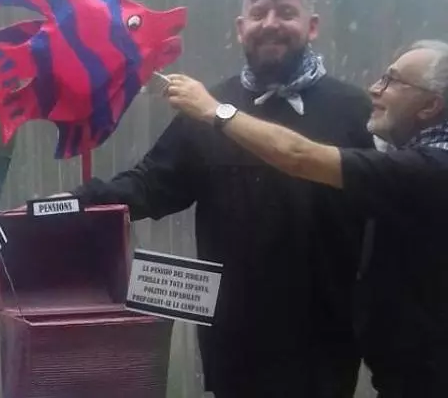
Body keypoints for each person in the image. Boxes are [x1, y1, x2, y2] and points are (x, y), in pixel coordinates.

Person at [70, 0, 374, 397]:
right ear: (240, 28)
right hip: (236, 340)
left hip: (324, 338)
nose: (271, 24)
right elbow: (150, 185)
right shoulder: (206, 108)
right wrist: (75, 203)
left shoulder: (355, 110)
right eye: (259, 13)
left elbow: (387, 210)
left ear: (312, 26)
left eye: (286, 13)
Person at [164, 40, 448, 397]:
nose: (376, 88)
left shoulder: (430, 169)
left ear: (431, 106)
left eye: (393, 81)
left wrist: (213, 110)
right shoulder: (412, 159)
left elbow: (298, 155)